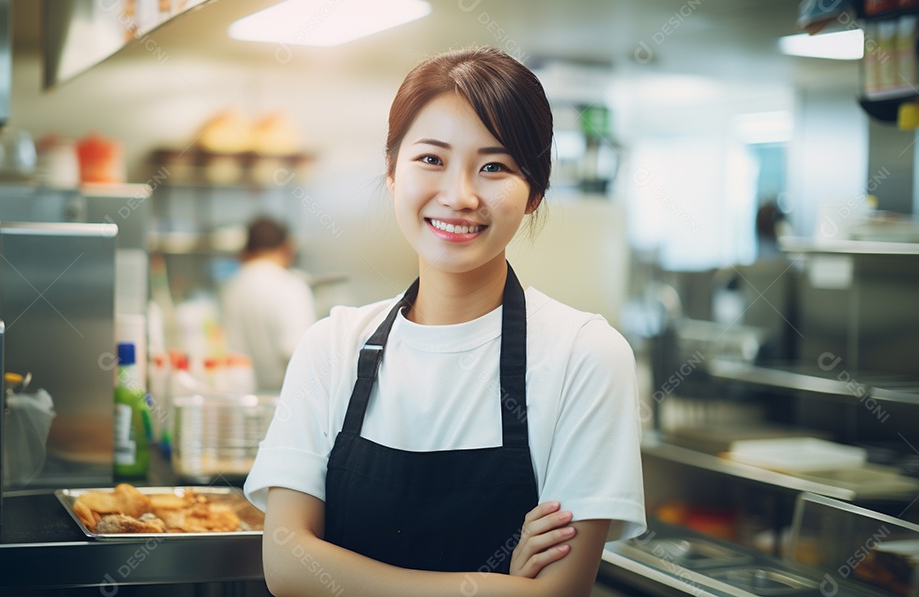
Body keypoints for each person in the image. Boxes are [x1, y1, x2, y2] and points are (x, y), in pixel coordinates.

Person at [244, 46, 645, 597]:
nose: (459, 196)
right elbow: (288, 566)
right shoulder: (332, 346)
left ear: (534, 192)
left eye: (495, 166)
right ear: (391, 173)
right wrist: (493, 585)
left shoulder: (586, 355)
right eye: (431, 159)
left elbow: (558, 593)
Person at [220, 217, 316, 392]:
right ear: (287, 248)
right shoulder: (291, 287)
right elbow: (300, 357)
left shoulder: (231, 288)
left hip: (242, 400)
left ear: (247, 250)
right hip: (282, 403)